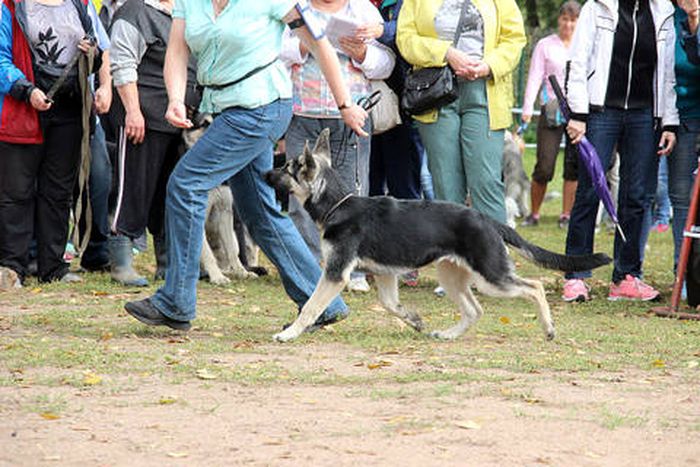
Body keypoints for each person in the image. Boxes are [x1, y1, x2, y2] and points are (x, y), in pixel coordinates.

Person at [123, 0, 368, 331]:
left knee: (186, 184)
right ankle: (323, 304)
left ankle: (176, 301)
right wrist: (176, 99)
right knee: (260, 212)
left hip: (261, 106)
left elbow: (318, 42)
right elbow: (178, 52)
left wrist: (345, 105)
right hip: (226, 107)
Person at [563, 0, 678, 302]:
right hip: (601, 112)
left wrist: (670, 122)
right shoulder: (596, 7)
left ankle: (626, 276)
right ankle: (576, 274)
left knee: (638, 196)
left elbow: (668, 72)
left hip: (645, 115)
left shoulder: (663, 10)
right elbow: (578, 60)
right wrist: (578, 113)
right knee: (590, 191)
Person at [280, 0, 394, 293]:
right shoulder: (294, 7)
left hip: (351, 117)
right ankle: (309, 268)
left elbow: (386, 63)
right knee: (299, 195)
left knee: (352, 194)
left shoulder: (362, 9)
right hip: (301, 113)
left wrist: (363, 54)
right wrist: (305, 45)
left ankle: (353, 269)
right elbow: (273, 50)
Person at [0, 0, 106, 285]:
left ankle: (53, 267)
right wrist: (26, 90)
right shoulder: (8, 6)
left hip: (69, 107)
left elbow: (98, 54)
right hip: (22, 108)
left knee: (58, 192)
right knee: (16, 192)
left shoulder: (80, 4)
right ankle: (12, 267)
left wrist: (92, 54)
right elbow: (0, 59)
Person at [396, 0, 526, 224]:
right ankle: (452, 257)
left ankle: (494, 254)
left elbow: (514, 39)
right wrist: (445, 53)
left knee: (486, 181)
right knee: (446, 186)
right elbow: (405, 39)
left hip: (485, 91)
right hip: (437, 92)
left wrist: (489, 65)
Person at [108, 0, 200, 286]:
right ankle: (121, 261)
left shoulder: (187, 10)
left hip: (179, 121)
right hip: (142, 117)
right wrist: (133, 112)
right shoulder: (135, 12)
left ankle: (166, 262)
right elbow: (122, 64)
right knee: (132, 188)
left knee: (169, 192)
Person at [520, 0, 580, 229]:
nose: (568, 24)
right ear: (559, 19)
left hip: (577, 110)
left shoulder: (582, 44)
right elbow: (535, 76)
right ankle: (533, 213)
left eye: (573, 20)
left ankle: (566, 214)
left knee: (573, 165)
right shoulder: (546, 45)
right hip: (551, 109)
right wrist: (527, 110)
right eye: (565, 19)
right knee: (545, 164)